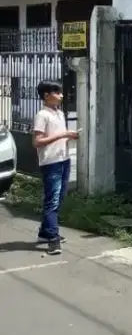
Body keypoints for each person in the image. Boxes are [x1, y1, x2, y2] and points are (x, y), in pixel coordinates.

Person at [32, 81, 78, 255]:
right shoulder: (42, 115)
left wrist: (70, 136)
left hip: (63, 159)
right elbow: (37, 142)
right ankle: (53, 239)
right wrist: (63, 134)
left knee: (59, 198)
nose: (61, 96)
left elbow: (59, 136)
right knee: (52, 201)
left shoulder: (60, 113)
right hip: (51, 162)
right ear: (46, 95)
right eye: (57, 92)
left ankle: (45, 232)